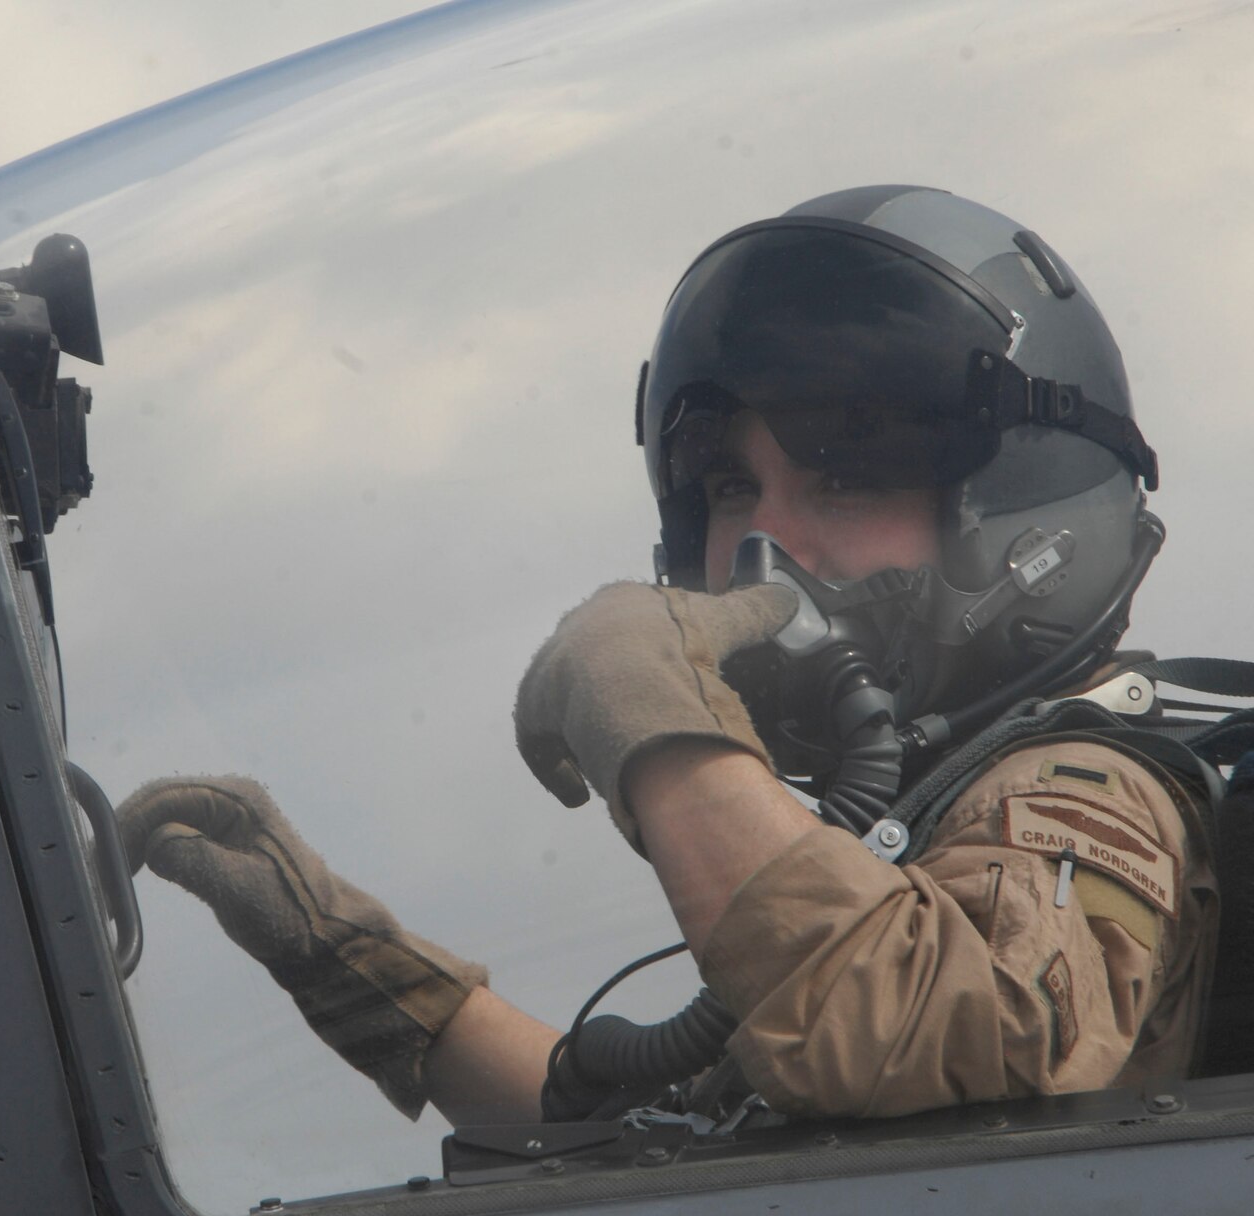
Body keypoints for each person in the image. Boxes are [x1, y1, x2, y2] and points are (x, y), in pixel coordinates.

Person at [116, 186, 1217, 1129]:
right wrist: (359, 969)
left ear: (1019, 519)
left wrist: (650, 710)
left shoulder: (1083, 790)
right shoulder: (902, 849)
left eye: (844, 480)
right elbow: (670, 1150)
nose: (762, 547)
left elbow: (926, 1050)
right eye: (731, 488)